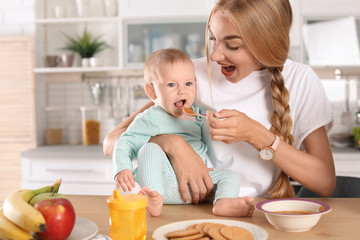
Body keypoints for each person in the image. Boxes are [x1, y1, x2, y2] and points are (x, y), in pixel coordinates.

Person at [104, 0, 336, 204]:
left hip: (262, 211)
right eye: (213, 39)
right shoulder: (190, 76)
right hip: (196, 209)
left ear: (266, 42)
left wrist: (256, 135)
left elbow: (325, 182)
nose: (214, 56)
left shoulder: (301, 80)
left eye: (232, 45)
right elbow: (112, 142)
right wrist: (173, 144)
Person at [113, 48, 254, 217]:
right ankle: (153, 199)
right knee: (148, 149)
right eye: (172, 85)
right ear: (152, 92)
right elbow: (125, 142)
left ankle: (223, 203)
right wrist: (122, 169)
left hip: (197, 186)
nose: (182, 91)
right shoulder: (151, 118)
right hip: (163, 184)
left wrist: (218, 123)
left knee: (230, 175)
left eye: (188, 84)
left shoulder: (197, 115)